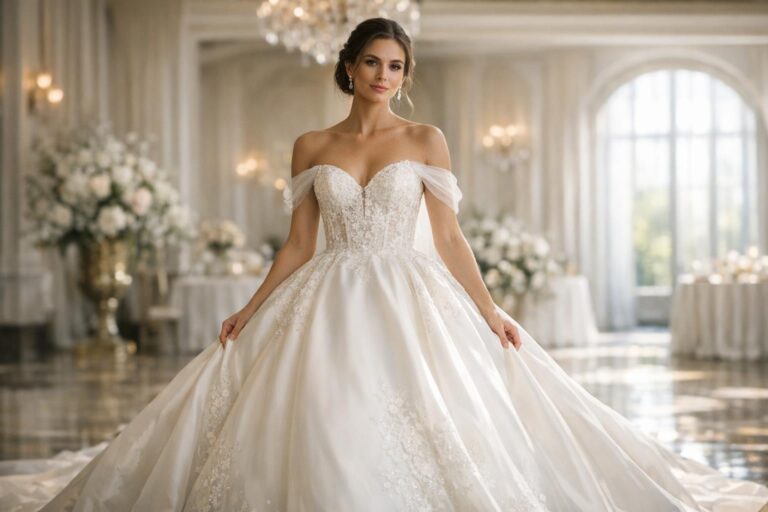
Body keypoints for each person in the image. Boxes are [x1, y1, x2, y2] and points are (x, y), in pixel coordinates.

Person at [2, 16, 768, 512]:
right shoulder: (311, 146)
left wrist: (488, 308)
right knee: (322, 408)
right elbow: (299, 243)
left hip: (412, 292)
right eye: (372, 62)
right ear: (348, 66)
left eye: (396, 64)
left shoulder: (426, 139)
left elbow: (452, 237)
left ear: (406, 73)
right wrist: (254, 306)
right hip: (326, 292)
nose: (384, 75)